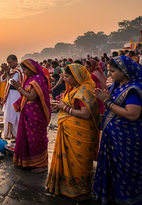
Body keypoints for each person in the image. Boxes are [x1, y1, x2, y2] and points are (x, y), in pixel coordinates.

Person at [93, 56, 142, 204]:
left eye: (112, 71)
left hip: (129, 140)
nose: (110, 75)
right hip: (116, 139)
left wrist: (106, 102)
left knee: (128, 178)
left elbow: (132, 114)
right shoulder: (118, 86)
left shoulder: (133, 89)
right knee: (114, 175)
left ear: (124, 71)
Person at [46, 64, 100, 201]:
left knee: (80, 163)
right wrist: (60, 105)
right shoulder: (74, 88)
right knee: (68, 161)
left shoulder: (85, 89)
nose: (65, 80)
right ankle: (67, 187)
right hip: (69, 129)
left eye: (68, 77)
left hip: (82, 132)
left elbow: (86, 114)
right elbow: (69, 104)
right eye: (64, 76)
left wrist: (65, 108)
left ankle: (82, 191)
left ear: (77, 76)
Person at [9, 59, 51, 173]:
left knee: (36, 140)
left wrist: (18, 87)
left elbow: (32, 96)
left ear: (31, 68)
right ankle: (28, 162)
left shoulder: (39, 79)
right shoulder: (31, 78)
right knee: (28, 139)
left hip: (35, 114)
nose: (24, 72)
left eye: (25, 69)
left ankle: (41, 164)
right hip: (28, 112)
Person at [1, 54, 24, 139]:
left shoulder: (18, 71)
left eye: (10, 62)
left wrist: (7, 73)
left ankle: (16, 134)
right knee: (9, 114)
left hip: (16, 94)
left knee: (15, 114)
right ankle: (9, 133)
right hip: (9, 95)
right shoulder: (11, 70)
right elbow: (2, 79)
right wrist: (5, 72)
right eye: (8, 63)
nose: (9, 64)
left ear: (16, 61)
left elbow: (11, 81)